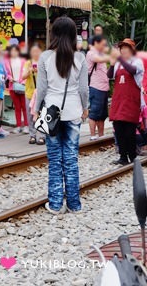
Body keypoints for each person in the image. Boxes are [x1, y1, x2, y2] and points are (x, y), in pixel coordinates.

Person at [33, 16, 89, 214]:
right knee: (71, 158)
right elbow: (83, 89)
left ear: (54, 34)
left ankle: (56, 204)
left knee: (55, 159)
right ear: (74, 35)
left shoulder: (45, 57)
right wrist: (85, 107)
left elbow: (41, 89)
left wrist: (35, 109)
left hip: (51, 112)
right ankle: (74, 204)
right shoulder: (80, 57)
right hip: (73, 112)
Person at [108, 39, 144, 166]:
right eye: (121, 48)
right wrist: (112, 64)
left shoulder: (137, 62)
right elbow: (109, 75)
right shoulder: (118, 64)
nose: (123, 50)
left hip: (131, 101)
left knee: (129, 131)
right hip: (118, 100)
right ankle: (123, 156)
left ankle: (132, 156)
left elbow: (132, 70)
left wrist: (119, 59)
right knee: (118, 129)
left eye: (126, 48)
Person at [86, 35, 110, 140]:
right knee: (94, 112)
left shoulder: (101, 54)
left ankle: (101, 134)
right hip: (96, 87)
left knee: (102, 113)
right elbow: (98, 59)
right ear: (96, 43)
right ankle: (92, 135)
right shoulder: (91, 53)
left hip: (104, 87)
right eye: (102, 44)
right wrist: (113, 56)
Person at [23, 45, 44, 144]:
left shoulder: (43, 62)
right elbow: (22, 77)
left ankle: (42, 135)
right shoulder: (28, 63)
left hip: (41, 93)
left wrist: (39, 71)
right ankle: (32, 135)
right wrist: (29, 71)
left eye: (37, 51)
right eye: (33, 51)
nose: (35, 53)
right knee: (30, 115)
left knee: (41, 114)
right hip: (30, 93)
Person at [5, 44, 28, 134]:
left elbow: (27, 73)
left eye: (15, 51)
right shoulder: (7, 61)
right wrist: (10, 78)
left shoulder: (24, 61)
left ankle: (26, 125)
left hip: (22, 86)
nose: (13, 52)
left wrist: (22, 81)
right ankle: (18, 126)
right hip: (13, 86)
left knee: (24, 107)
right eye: (12, 51)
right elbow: (6, 73)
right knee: (17, 107)